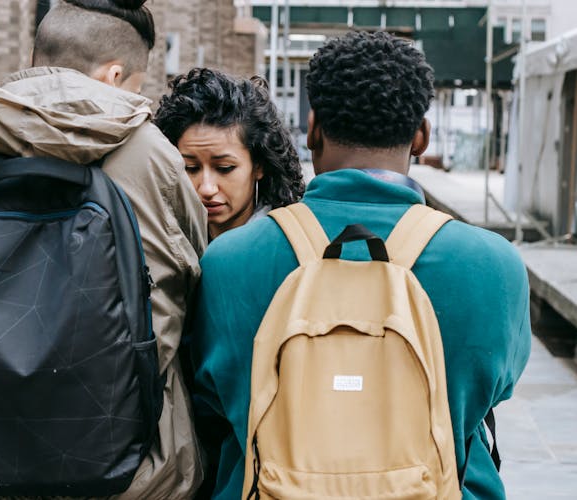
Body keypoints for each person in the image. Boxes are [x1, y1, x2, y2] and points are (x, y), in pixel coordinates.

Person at [191, 31, 531, 499]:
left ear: (312, 129)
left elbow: (210, 402)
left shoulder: (226, 263)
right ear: (421, 137)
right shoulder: (495, 267)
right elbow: (491, 392)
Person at [0, 1, 206, 498]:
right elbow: (191, 283)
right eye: (136, 85)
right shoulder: (153, 155)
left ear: (35, 55)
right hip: (137, 469)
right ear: (114, 74)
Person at [154, 68, 305, 240]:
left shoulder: (289, 244)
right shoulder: (160, 242)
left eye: (225, 168)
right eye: (190, 168)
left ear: (258, 165)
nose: (207, 189)